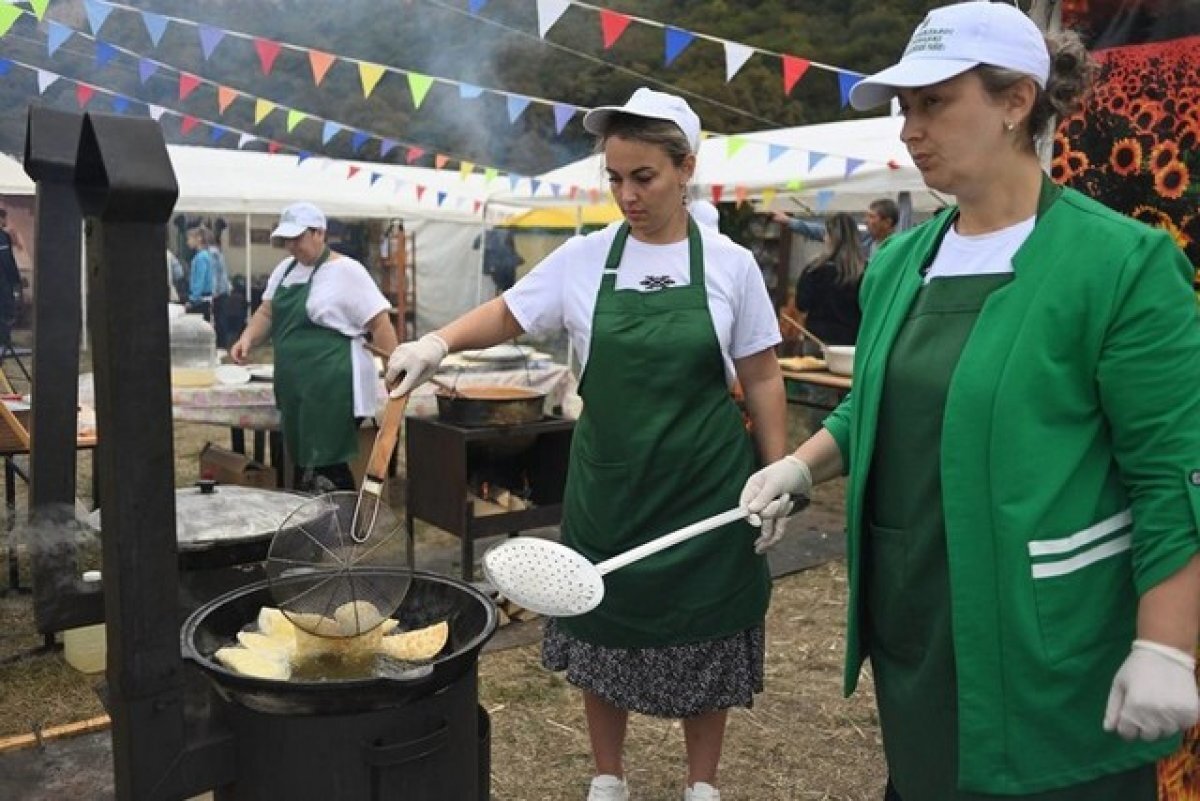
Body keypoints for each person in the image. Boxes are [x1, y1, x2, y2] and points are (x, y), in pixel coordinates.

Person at [741, 3, 1200, 800]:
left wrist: (1166, 645)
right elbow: (874, 404)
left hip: (1049, 641)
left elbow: (1176, 472)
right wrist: (800, 465)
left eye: (934, 103)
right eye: (904, 108)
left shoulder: (1121, 264)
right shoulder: (899, 264)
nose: (909, 130)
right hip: (919, 631)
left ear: (1017, 101)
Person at [387, 87, 787, 801]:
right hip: (612, 484)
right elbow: (509, 312)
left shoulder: (730, 265)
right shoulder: (585, 258)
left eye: (645, 177)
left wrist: (779, 471)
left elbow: (760, 374)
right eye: (615, 177)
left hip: (706, 489)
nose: (626, 195)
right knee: (602, 619)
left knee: (710, 620)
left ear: (685, 168)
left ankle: (702, 783)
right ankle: (609, 775)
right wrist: (436, 341)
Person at [230, 202, 397, 492]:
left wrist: (396, 372)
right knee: (305, 461)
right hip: (297, 386)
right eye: (286, 240)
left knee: (327, 463)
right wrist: (247, 338)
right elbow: (267, 312)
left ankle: (340, 525)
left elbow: (380, 324)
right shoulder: (285, 270)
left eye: (297, 238)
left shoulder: (346, 271)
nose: (290, 246)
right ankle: (311, 523)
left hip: (333, 386)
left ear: (320, 233)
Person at [792, 212, 866, 352]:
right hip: (851, 343)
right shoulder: (865, 272)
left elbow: (801, 304)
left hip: (816, 339)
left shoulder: (814, 269)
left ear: (831, 237)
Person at [772, 197, 898, 259]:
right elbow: (823, 231)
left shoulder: (899, 247)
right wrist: (790, 221)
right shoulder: (862, 237)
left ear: (887, 222)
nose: (866, 221)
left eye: (871, 217)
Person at [0, 209, 24, 344]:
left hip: (5, 282)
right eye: (4, 218)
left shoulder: (5, 237)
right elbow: (7, 260)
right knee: (5, 310)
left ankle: (4, 339)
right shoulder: (2, 237)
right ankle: (3, 339)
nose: (5, 222)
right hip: (3, 282)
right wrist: (15, 279)